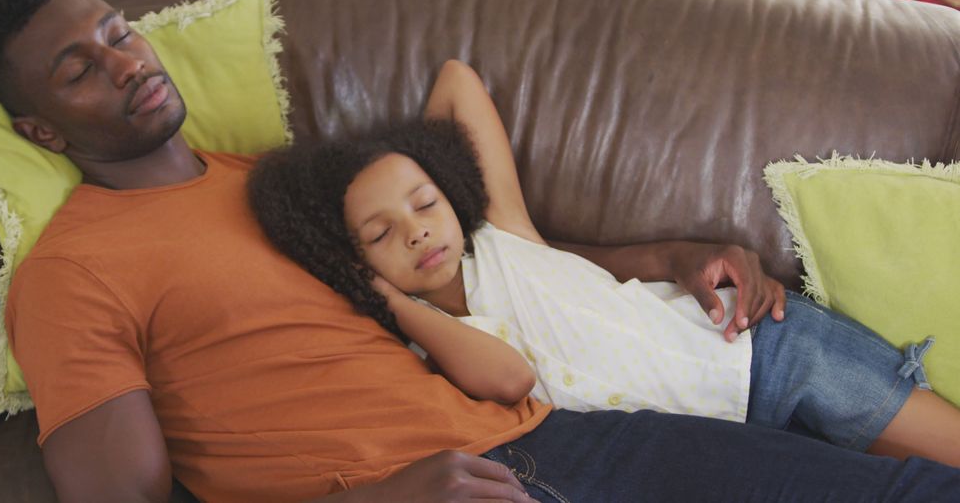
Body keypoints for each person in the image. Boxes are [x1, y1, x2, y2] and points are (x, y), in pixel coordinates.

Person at [0, 0, 960, 502]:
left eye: (116, 33)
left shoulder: (285, 184)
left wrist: (664, 256)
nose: (122, 59)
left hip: (552, 437)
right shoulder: (71, 273)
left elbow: (498, 262)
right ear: (42, 132)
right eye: (78, 69)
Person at [247, 63, 960, 465]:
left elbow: (457, 83)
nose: (416, 232)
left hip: (762, 353)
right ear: (354, 262)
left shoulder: (502, 231)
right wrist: (382, 296)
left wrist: (392, 169)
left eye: (425, 202)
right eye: (380, 233)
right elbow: (509, 377)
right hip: (734, 454)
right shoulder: (422, 340)